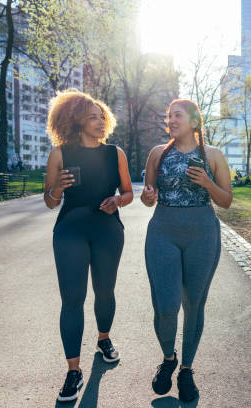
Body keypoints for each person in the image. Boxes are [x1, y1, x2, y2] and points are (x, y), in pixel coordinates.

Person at [43, 89, 133, 402]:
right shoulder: (59, 154)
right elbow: (50, 201)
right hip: (70, 230)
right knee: (72, 299)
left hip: (108, 229)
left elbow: (128, 193)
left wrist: (117, 200)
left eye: (101, 116)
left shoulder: (115, 153)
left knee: (105, 291)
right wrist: (57, 187)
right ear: (76, 121)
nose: (99, 121)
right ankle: (73, 371)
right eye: (91, 117)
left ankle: (104, 339)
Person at [140, 99, 232, 402]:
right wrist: (148, 195)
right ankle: (168, 358)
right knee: (165, 306)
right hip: (163, 230)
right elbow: (147, 198)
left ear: (194, 122)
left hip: (202, 233)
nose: (171, 120)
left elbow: (226, 201)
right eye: (169, 115)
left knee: (194, 304)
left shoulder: (214, 155)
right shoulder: (157, 154)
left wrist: (206, 181)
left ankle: (187, 369)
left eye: (177, 115)